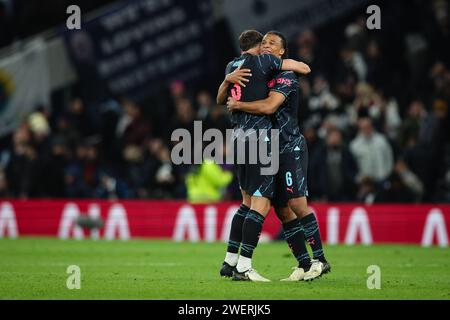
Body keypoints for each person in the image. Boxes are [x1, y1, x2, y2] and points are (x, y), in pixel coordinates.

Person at [226, 31, 330, 281]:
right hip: (267, 147)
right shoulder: (263, 72)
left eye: (273, 43)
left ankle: (320, 260)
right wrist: (228, 80)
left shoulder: (285, 76)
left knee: (297, 204)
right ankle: (304, 265)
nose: (267, 46)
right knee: (282, 211)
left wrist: (238, 105)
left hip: (289, 147)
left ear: (282, 51)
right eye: (264, 42)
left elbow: (270, 106)